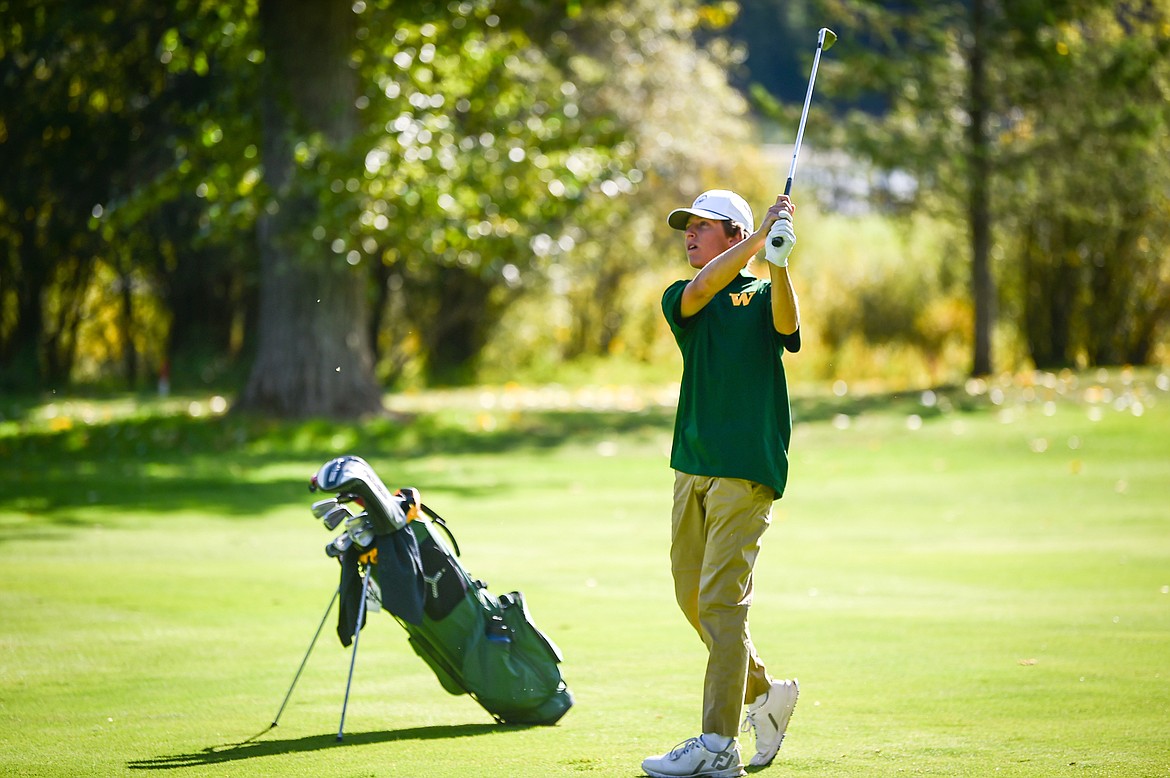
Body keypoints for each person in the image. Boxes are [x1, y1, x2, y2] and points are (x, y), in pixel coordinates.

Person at [641, 189, 802, 778]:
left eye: (701, 227)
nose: (687, 234)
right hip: (692, 466)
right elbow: (705, 289)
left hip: (746, 468)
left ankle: (717, 744)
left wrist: (778, 262)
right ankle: (765, 692)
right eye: (686, 227)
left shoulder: (762, 294)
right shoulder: (683, 297)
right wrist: (763, 239)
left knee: (721, 601)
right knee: (694, 599)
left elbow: (787, 325)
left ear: (730, 235)